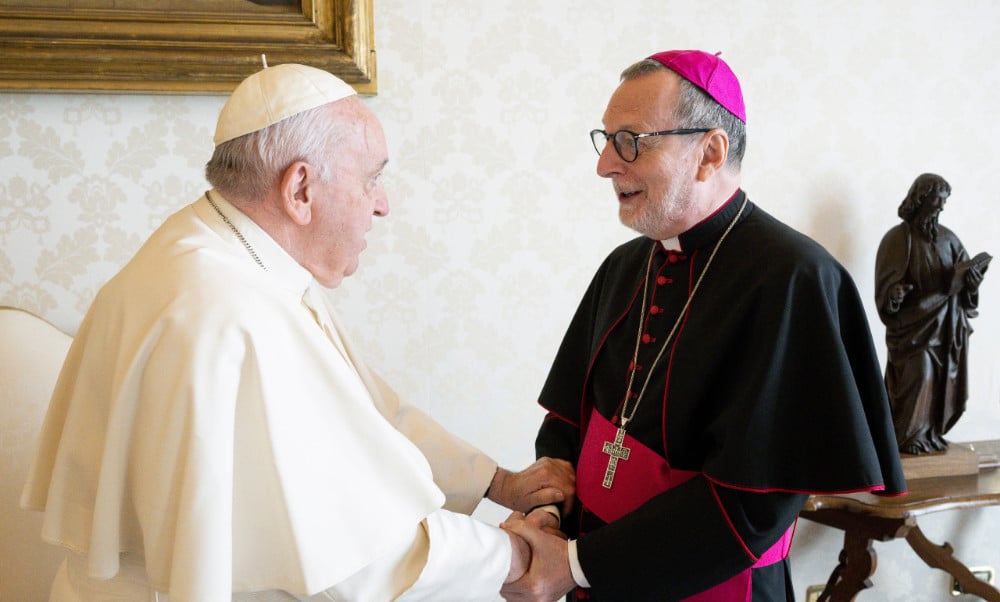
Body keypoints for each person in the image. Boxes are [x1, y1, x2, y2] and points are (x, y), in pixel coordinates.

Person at [20, 63, 574, 601]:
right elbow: (361, 558)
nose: (383, 204)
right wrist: (519, 559)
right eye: (372, 179)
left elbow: (370, 410)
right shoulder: (230, 309)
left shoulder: (228, 251)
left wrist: (499, 483)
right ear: (300, 189)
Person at [500, 50, 907, 601]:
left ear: (709, 152)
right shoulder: (625, 266)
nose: (605, 165)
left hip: (714, 585)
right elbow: (570, 421)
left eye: (632, 141)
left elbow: (753, 504)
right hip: (589, 576)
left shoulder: (793, 278)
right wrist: (548, 511)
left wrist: (575, 563)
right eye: (607, 139)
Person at [875, 173, 990, 455]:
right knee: (921, 374)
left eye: (943, 204)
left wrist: (971, 284)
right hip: (913, 330)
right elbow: (886, 288)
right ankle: (908, 436)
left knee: (939, 382)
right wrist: (894, 295)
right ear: (920, 199)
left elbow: (965, 293)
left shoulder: (949, 240)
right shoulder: (898, 239)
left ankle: (929, 434)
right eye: (936, 203)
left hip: (945, 328)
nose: (939, 209)